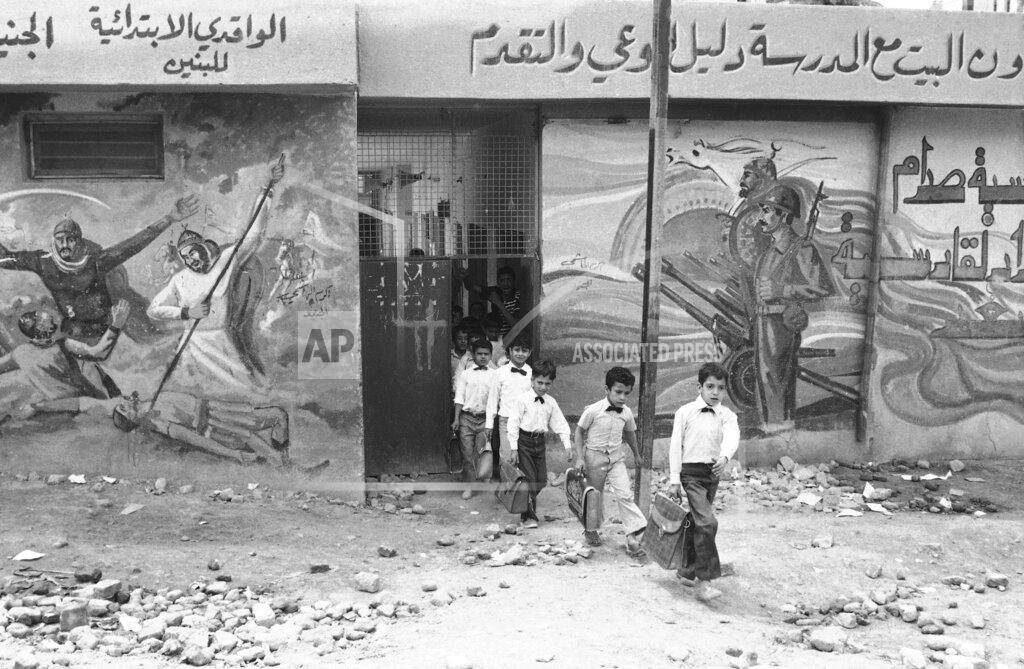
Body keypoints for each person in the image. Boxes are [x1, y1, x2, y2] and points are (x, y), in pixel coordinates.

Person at [147, 161, 283, 393]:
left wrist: (267, 190)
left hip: (222, 344)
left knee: (243, 391)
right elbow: (154, 309)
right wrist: (186, 313)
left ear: (202, 247)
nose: (190, 261)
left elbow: (254, 235)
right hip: (193, 345)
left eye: (192, 253)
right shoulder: (180, 279)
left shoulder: (226, 259)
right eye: (185, 258)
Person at [0, 195, 200, 341]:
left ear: (79, 241)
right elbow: (5, 258)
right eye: (60, 240)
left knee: (155, 339)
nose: (64, 245)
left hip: (106, 328)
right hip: (73, 332)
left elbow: (134, 244)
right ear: (54, 241)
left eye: (70, 239)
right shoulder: (42, 262)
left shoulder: (96, 261)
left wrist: (169, 218)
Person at [23, 391, 293, 467]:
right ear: (134, 419)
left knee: (279, 415)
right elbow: (194, 439)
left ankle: (283, 456)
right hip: (214, 422)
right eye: (126, 409)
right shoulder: (157, 422)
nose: (125, 403)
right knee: (255, 434)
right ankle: (284, 465)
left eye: (123, 405)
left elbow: (81, 402)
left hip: (215, 407)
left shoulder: (129, 402)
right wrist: (233, 455)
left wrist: (40, 406)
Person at [751, 184, 835, 426]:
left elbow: (821, 287)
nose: (761, 216)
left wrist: (782, 290)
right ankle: (773, 427)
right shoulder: (768, 253)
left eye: (767, 210)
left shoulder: (802, 248)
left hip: (781, 324)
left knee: (775, 380)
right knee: (765, 380)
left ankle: (779, 429)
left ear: (784, 215)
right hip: (763, 323)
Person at [668, 362, 740, 603]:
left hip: (712, 474)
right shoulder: (685, 412)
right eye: (710, 386)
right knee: (708, 523)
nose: (715, 392)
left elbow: (732, 436)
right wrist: (674, 480)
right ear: (699, 387)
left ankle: (686, 571)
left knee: (698, 523)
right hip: (690, 474)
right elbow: (675, 446)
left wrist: (725, 457)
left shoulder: (727, 415)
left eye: (721, 388)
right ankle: (704, 581)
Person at [572, 366, 647, 555]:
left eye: (626, 393)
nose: (622, 397)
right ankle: (591, 529)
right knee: (594, 496)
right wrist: (580, 458)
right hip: (594, 457)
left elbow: (630, 434)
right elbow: (579, 432)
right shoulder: (593, 410)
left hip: (616, 458)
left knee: (625, 494)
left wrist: (637, 455)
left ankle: (633, 535)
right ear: (607, 389)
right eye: (618, 392)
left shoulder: (627, 412)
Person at [0, 299, 130, 402]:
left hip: (64, 405)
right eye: (39, 314)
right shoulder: (64, 345)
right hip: (89, 402)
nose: (45, 312)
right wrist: (116, 324)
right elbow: (100, 353)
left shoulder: (19, 353)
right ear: (39, 327)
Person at [506, 360, 571, 529]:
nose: (543, 387)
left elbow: (560, 423)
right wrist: (513, 448)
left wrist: (567, 445)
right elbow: (513, 424)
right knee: (529, 480)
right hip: (524, 442)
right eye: (539, 382)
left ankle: (517, 498)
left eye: (547, 384)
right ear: (532, 380)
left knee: (541, 480)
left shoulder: (551, 402)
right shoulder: (522, 399)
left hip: (540, 442)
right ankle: (528, 516)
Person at [452, 338, 496, 499]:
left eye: (486, 354)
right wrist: (456, 419)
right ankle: (469, 486)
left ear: (491, 355)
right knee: (467, 454)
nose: (483, 357)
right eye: (479, 354)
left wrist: (490, 424)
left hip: (485, 419)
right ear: (473, 355)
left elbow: (493, 402)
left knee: (483, 451)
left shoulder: (494, 375)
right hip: (466, 418)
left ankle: (483, 477)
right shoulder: (466, 374)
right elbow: (459, 397)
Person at [486, 335, 532, 479]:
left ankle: (522, 490)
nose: (520, 354)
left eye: (524, 351)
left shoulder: (532, 373)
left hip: (525, 422)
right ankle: (507, 488)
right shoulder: (499, 373)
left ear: (529, 353)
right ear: (510, 351)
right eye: (517, 350)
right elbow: (492, 400)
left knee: (524, 459)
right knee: (507, 457)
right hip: (506, 421)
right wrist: (489, 424)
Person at [458, 266, 522, 341]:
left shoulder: (518, 297)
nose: (506, 284)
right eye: (502, 280)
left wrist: (498, 303)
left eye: (509, 280)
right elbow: (471, 287)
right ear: (498, 282)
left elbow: (517, 326)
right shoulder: (495, 292)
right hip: (495, 339)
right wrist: (465, 277)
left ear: (514, 281)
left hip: (513, 340)